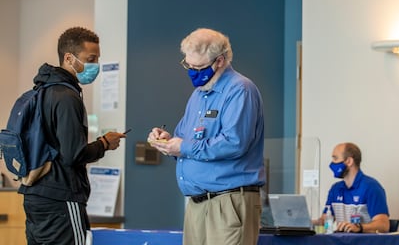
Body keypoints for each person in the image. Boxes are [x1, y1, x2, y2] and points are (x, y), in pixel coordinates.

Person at [148, 28, 265, 245]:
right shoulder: (199, 94)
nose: (192, 72)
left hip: (228, 202)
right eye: (188, 66)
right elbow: (185, 140)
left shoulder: (240, 90)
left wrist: (183, 147)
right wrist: (167, 141)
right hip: (197, 204)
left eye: (199, 67)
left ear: (219, 61)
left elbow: (234, 143)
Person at [19, 26, 127, 245]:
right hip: (61, 197)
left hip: (35, 194)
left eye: (97, 59)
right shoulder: (67, 97)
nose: (95, 65)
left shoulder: (41, 90)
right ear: (69, 57)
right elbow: (73, 154)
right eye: (91, 58)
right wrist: (104, 143)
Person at [316, 142, 390, 233]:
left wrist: (359, 227)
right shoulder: (335, 189)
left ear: (349, 161)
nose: (332, 163)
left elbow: (384, 225)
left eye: (335, 158)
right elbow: (325, 220)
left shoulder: (371, 187)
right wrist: (304, 222)